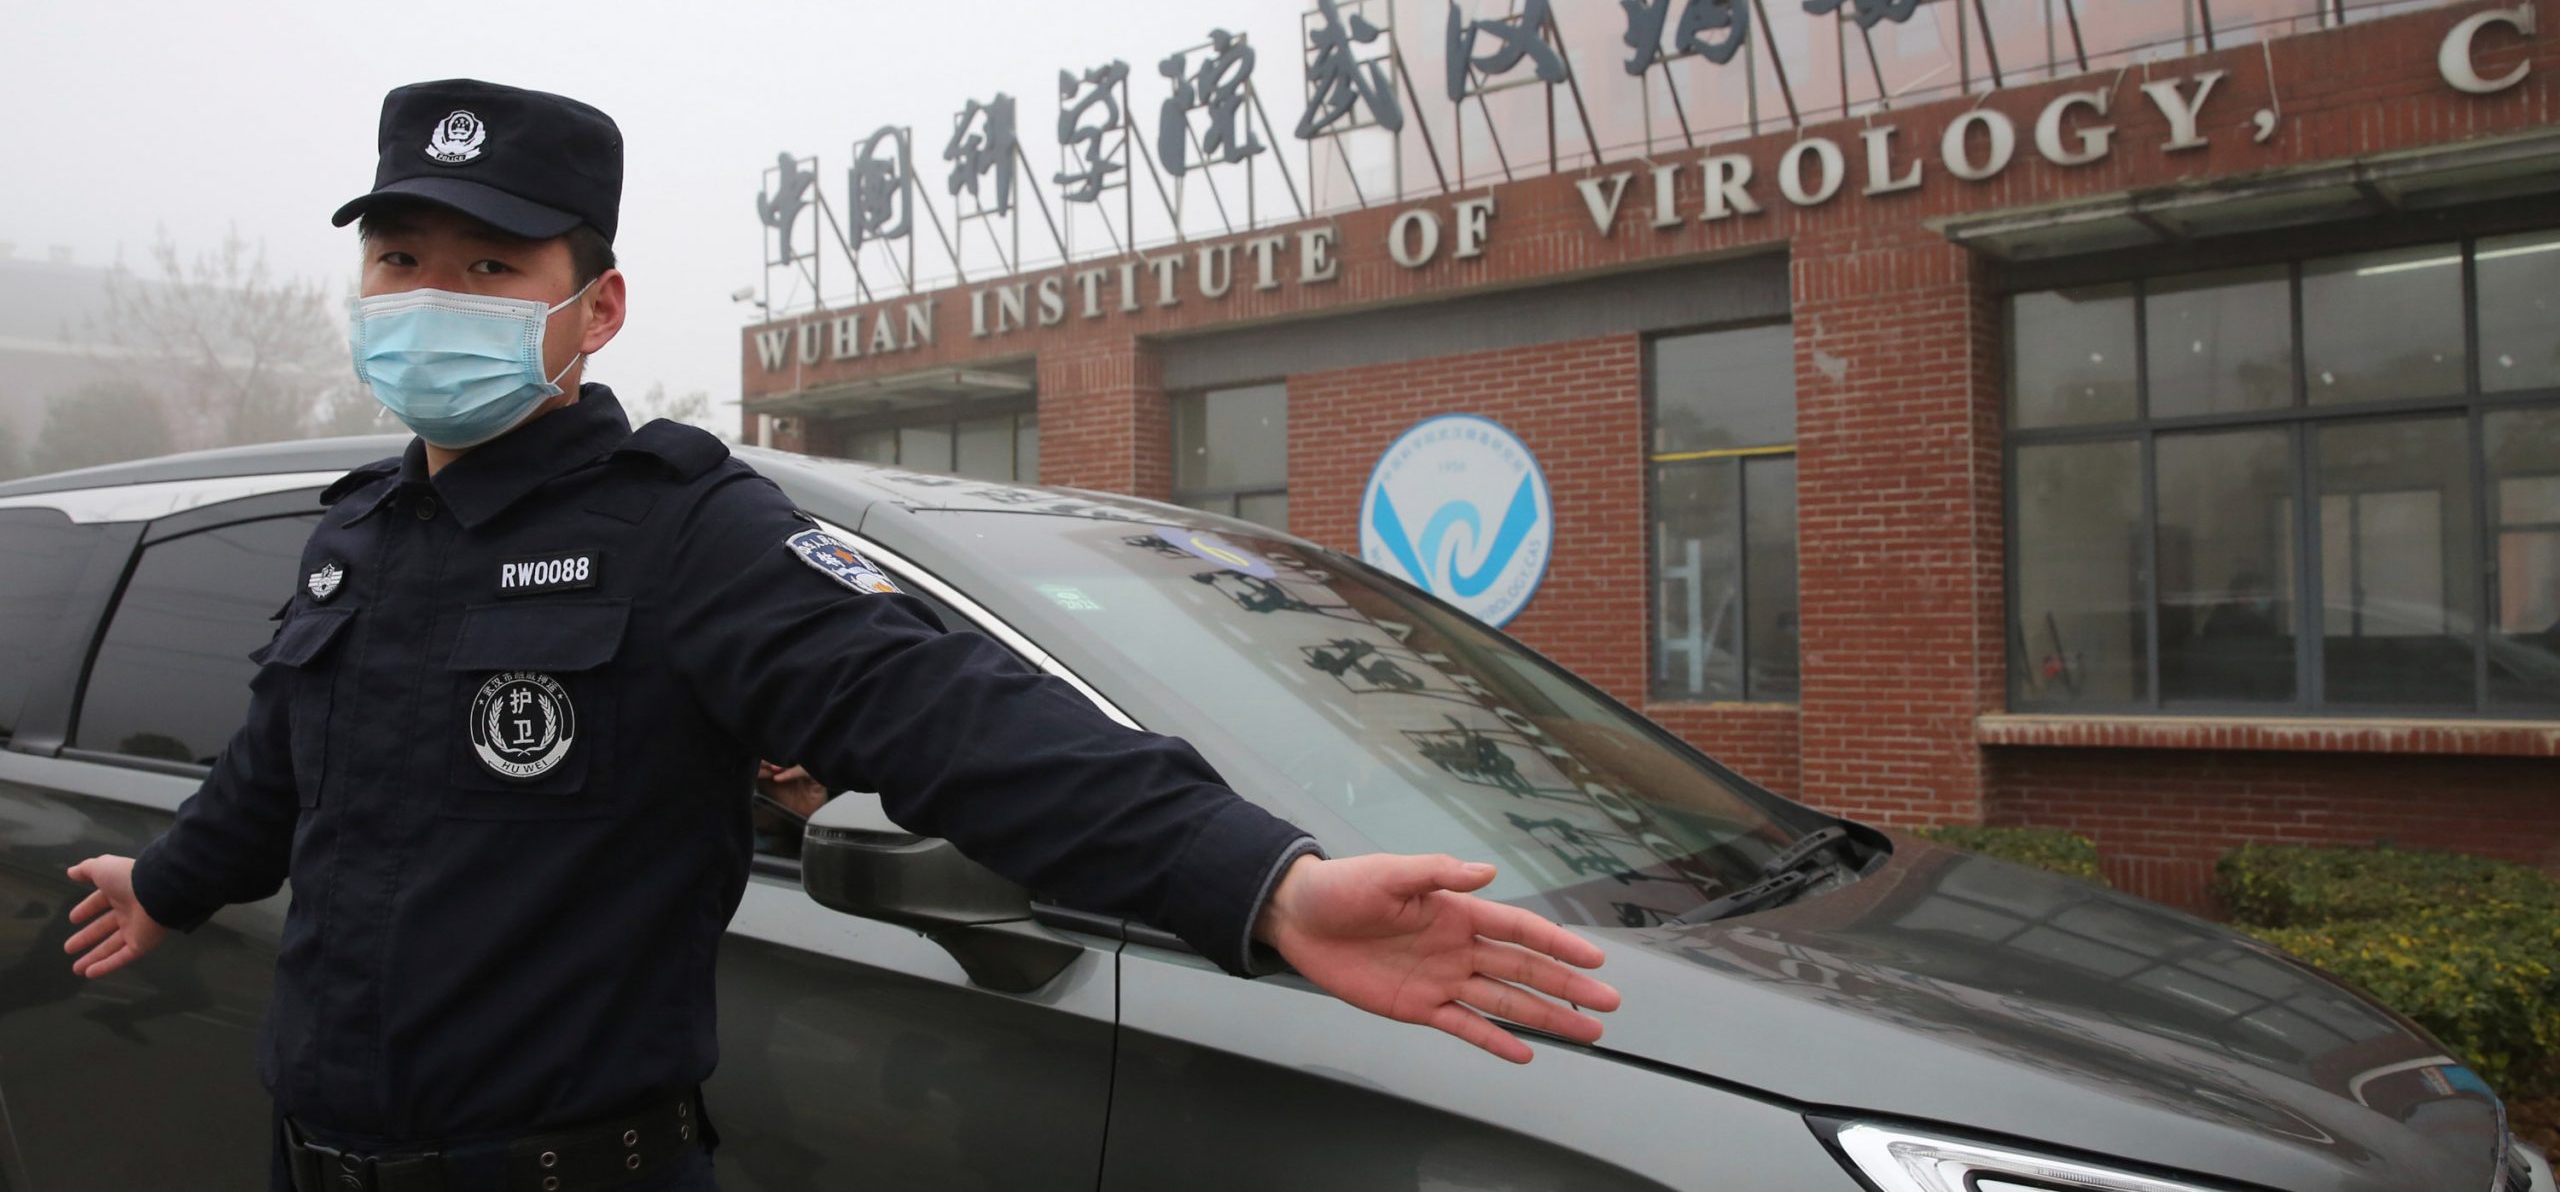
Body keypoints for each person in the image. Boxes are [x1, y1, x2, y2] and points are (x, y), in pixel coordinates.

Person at [59, 80, 1618, 1192]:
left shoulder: (683, 529)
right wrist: (169, 882)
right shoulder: (358, 534)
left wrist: (1262, 881)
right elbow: (278, 767)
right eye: (400, 261)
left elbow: (952, 712)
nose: (428, 299)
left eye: (488, 267)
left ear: (596, 305)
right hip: (310, 1154)